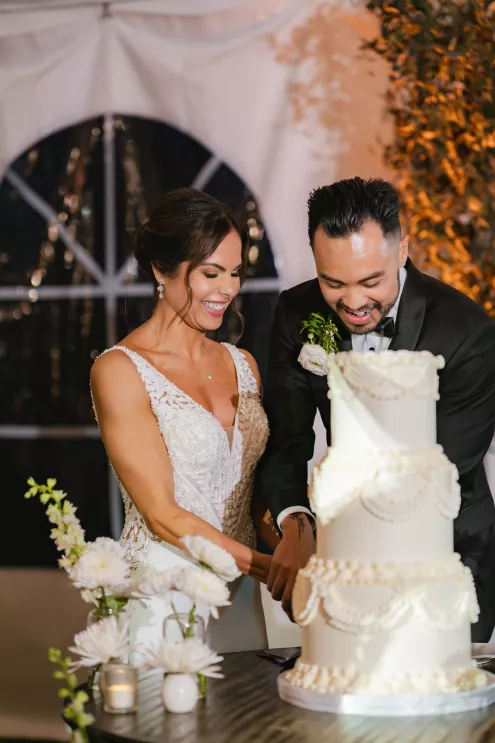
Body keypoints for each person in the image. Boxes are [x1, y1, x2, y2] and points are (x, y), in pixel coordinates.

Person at [256, 176, 495, 641]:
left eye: (371, 281)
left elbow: (442, 466)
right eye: (333, 282)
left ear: (402, 249)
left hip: (448, 554)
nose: (353, 302)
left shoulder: (467, 333)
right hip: (344, 560)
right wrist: (296, 522)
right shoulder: (296, 312)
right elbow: (287, 437)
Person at [91, 188, 270, 652]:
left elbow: (251, 489)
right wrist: (272, 569)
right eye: (211, 273)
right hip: (163, 598)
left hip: (242, 600)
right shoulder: (121, 370)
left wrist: (296, 539)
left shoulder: (243, 365)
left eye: (235, 273)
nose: (227, 289)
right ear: (161, 269)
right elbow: (162, 515)